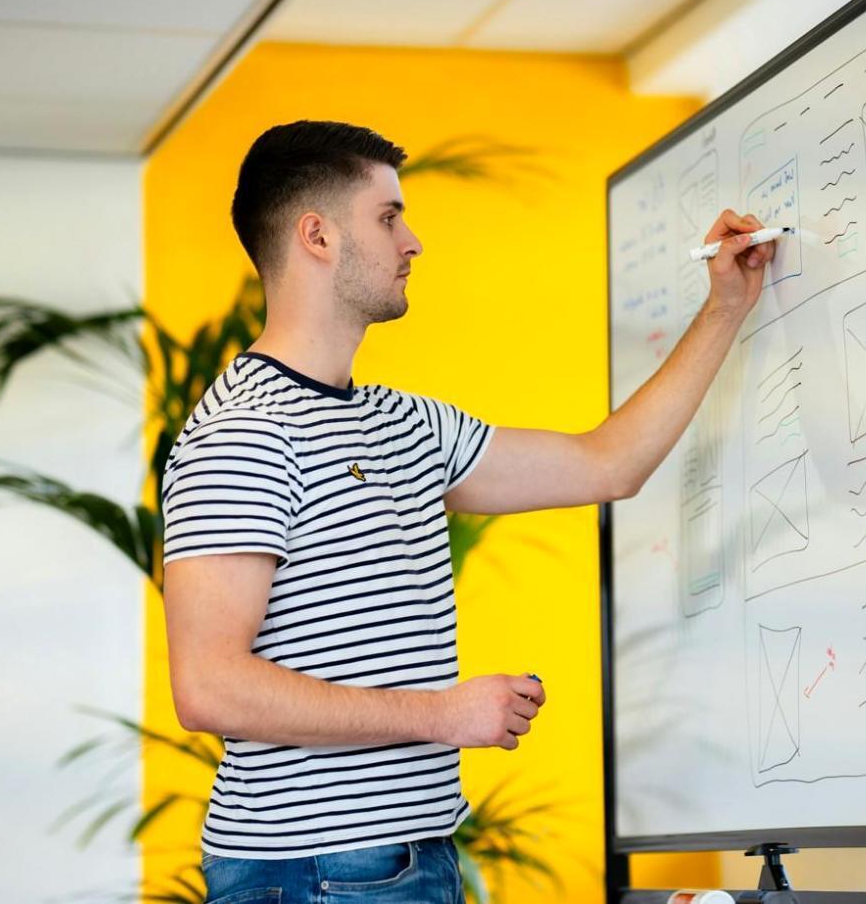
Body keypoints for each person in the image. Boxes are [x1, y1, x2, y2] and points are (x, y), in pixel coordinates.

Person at [160, 121, 774, 900]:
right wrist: (442, 715)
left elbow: (609, 463)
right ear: (316, 236)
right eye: (388, 217)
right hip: (315, 873)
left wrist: (725, 307)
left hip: (408, 861)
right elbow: (209, 687)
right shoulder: (244, 433)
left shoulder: (404, 424)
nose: (412, 242)